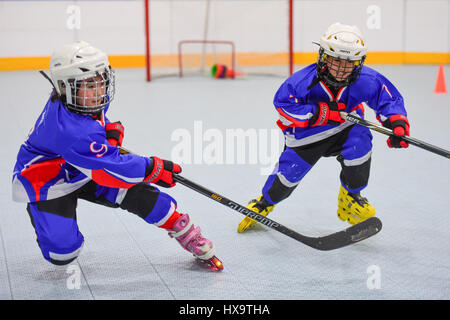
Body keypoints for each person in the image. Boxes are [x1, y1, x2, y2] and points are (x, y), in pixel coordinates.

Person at [12, 41, 222, 270]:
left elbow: (98, 143)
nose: (99, 90)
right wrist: (152, 168)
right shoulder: (69, 130)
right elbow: (109, 168)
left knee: (138, 192)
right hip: (47, 181)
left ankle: (184, 230)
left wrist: (108, 136)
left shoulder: (77, 98)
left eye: (100, 80)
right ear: (64, 86)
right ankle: (44, 222)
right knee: (62, 254)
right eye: (89, 84)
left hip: (86, 166)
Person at [238, 22, 410, 232]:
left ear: (358, 63)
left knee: (361, 145)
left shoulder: (366, 79)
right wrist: (321, 112)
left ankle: (351, 199)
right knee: (288, 176)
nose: (341, 69)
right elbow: (283, 105)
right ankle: (264, 203)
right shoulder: (301, 81)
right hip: (307, 137)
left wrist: (397, 122)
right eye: (336, 60)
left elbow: (387, 97)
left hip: (347, 128)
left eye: (349, 63)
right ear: (324, 56)